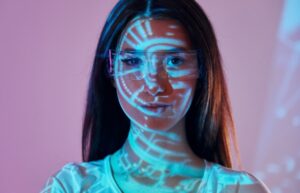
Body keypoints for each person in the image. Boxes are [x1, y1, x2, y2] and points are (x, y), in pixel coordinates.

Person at [41, 0, 270, 192]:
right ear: (110, 71)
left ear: (201, 70)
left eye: (175, 61)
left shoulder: (240, 189)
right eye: (132, 61)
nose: (154, 84)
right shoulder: (72, 187)